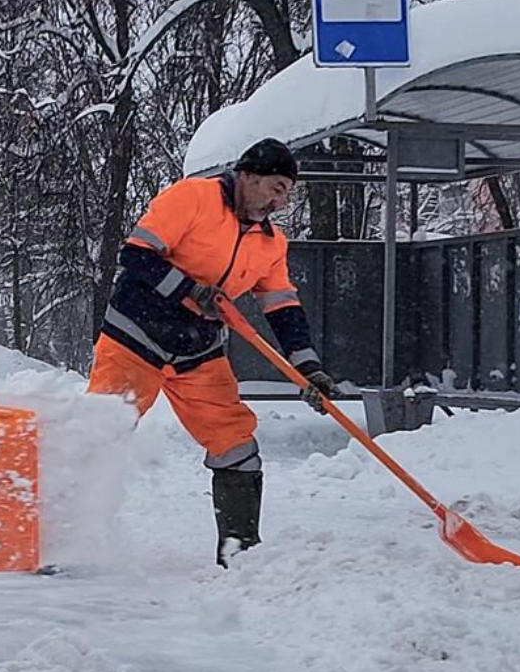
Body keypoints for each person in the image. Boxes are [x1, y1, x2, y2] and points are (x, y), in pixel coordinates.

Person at [86, 138, 342, 567]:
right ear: (247, 176)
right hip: (135, 338)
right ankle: (57, 539)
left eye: (287, 193)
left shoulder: (270, 244)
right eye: (276, 188)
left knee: (236, 444)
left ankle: (241, 557)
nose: (281, 202)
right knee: (98, 437)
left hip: (198, 351)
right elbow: (136, 256)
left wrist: (309, 370)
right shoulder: (193, 197)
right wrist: (189, 290)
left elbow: (282, 307)